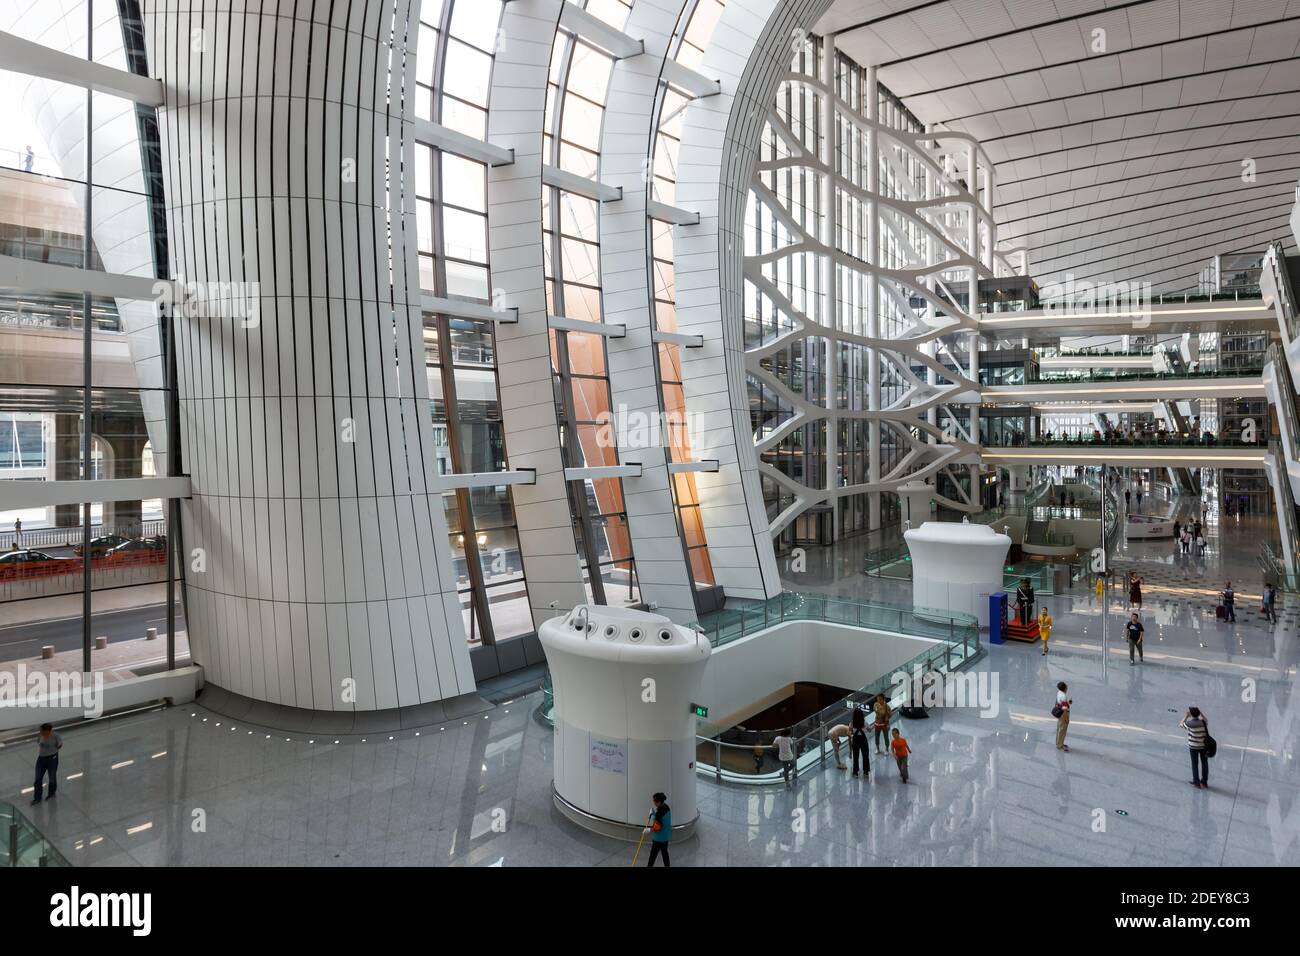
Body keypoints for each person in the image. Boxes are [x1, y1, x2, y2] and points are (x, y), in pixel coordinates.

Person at [32, 723, 62, 804]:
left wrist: (53, 749)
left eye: (42, 730)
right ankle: (37, 798)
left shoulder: (55, 736)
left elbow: (60, 745)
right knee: (38, 779)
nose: (40, 732)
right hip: (41, 759)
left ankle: (51, 793)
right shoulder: (40, 735)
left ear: (48, 731)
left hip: (52, 759)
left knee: (52, 777)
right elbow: (38, 742)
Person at [1180, 708, 1209, 789]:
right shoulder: (1203, 722)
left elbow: (1181, 724)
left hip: (1193, 747)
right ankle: (1204, 781)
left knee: (1195, 764)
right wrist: (1201, 713)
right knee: (1204, 763)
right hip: (1203, 746)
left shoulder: (1189, 723)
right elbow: (1206, 719)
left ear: (1191, 715)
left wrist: (1186, 716)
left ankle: (1196, 782)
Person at [644, 793, 672, 866]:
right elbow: (662, 820)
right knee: (665, 854)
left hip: (658, 839)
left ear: (659, 802)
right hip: (665, 837)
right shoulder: (667, 807)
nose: (653, 803)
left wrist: (649, 830)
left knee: (652, 856)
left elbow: (657, 827)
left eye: (654, 801)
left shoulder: (659, 813)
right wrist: (653, 814)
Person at [850, 713, 870, 778]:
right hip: (863, 740)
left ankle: (855, 772)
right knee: (865, 756)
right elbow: (869, 730)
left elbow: (850, 730)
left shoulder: (852, 723)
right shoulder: (865, 722)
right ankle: (866, 772)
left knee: (855, 756)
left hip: (855, 741)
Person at [1054, 682, 1071, 752]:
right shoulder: (1064, 696)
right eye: (1066, 687)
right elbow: (1064, 707)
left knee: (1059, 728)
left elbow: (1059, 703)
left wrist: (1067, 703)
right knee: (1063, 729)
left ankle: (1058, 743)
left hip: (1059, 712)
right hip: (1063, 713)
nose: (1067, 688)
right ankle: (1060, 745)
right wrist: (1066, 717)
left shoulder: (1059, 693)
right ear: (1064, 688)